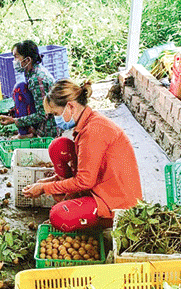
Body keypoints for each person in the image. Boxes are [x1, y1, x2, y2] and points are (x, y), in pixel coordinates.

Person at [22, 79, 143, 232]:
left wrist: (44, 188)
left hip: (116, 201)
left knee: (59, 217)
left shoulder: (94, 130)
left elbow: (85, 181)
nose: (56, 119)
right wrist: (50, 181)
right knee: (58, 146)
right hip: (99, 183)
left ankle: (104, 222)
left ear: (70, 106)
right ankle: (77, 201)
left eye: (56, 113)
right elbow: (85, 167)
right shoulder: (88, 122)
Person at [0, 40, 58, 139]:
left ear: (27, 60)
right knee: (21, 88)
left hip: (49, 127)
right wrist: (16, 110)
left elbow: (43, 114)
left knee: (20, 89)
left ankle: (27, 133)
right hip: (45, 116)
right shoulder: (31, 72)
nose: (14, 61)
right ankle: (28, 130)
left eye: (16, 57)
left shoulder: (37, 79)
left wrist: (15, 120)